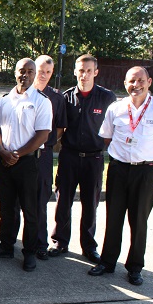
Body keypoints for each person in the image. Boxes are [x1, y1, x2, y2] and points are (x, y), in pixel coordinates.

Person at [88, 67, 153, 286]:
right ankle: (108, 262)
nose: (135, 85)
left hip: (144, 171)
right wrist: (124, 156)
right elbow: (107, 138)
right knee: (114, 218)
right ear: (125, 83)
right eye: (131, 81)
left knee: (139, 221)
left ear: (149, 82)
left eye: (140, 80)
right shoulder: (116, 108)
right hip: (119, 170)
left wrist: (150, 156)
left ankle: (135, 267)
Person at [0, 58, 52, 272]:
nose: (26, 75)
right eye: (22, 70)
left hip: (28, 163)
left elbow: (42, 135)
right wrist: (2, 151)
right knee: (7, 208)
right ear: (15, 73)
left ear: (35, 74)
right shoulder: (6, 100)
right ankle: (6, 245)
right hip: (5, 162)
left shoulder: (42, 101)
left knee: (30, 210)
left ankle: (29, 252)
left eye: (30, 71)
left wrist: (17, 154)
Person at [49, 54, 116, 262]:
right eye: (80, 70)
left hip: (93, 159)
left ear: (96, 72)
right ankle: (60, 241)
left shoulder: (107, 98)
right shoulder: (66, 97)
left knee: (90, 204)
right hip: (69, 156)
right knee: (63, 201)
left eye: (88, 70)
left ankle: (88, 246)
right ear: (75, 71)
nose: (84, 74)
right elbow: (59, 128)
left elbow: (113, 130)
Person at [7, 55, 68, 259]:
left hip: (42, 156)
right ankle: (8, 241)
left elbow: (59, 129)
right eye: (40, 70)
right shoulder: (16, 95)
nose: (43, 75)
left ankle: (39, 244)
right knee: (14, 202)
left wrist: (42, 145)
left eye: (47, 72)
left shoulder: (56, 98)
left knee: (38, 202)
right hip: (16, 156)